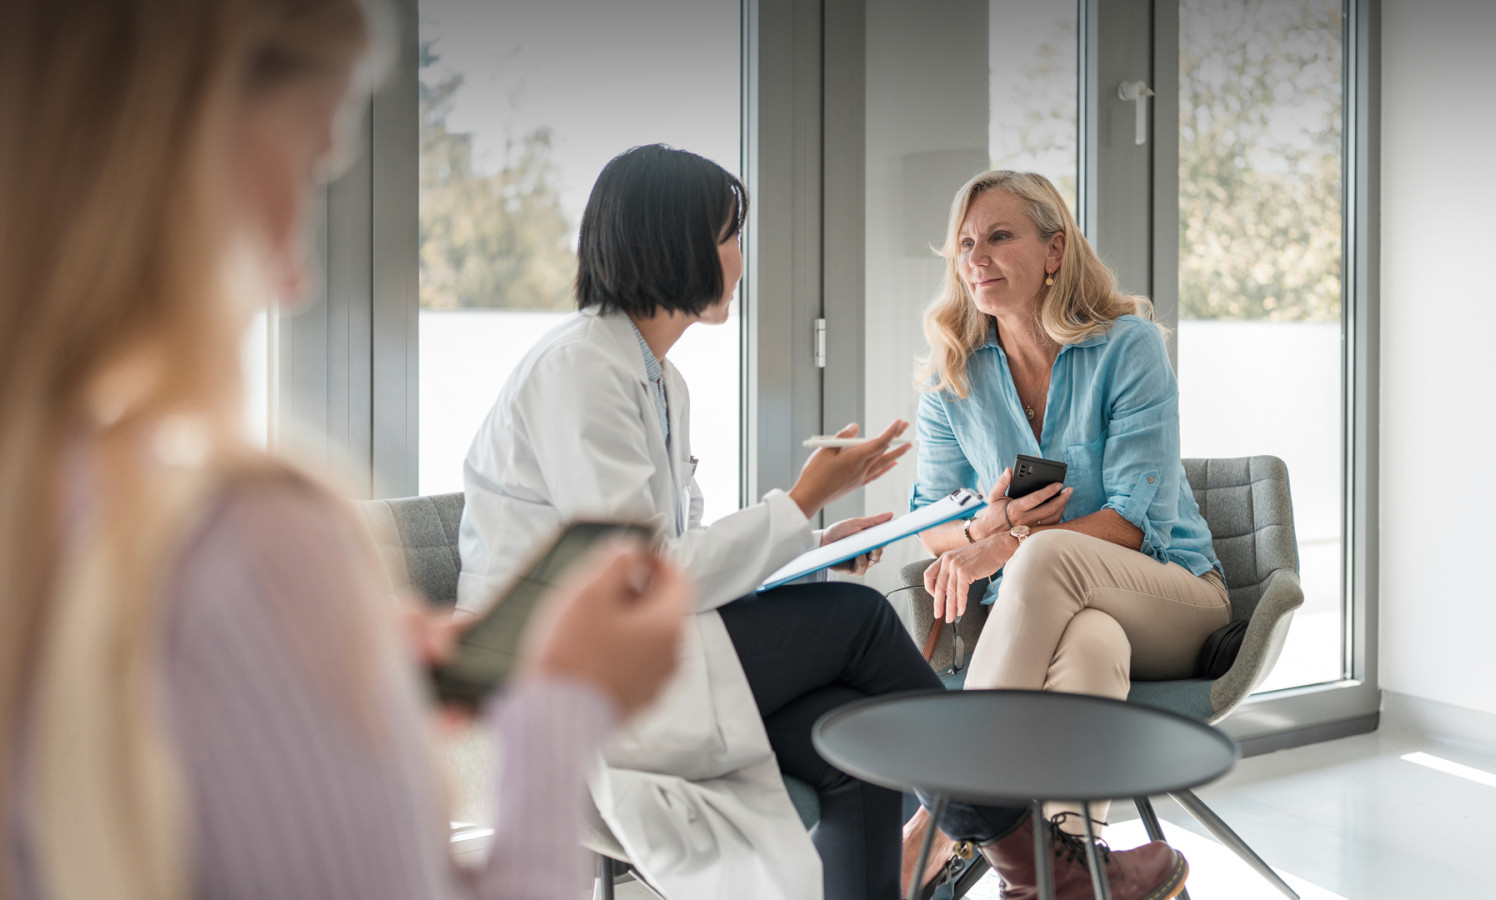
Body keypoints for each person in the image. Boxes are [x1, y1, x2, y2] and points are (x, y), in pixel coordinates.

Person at [0, 2, 687, 898]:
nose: (297, 272)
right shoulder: (249, 544)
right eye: (310, 162)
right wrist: (562, 704)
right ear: (177, 153)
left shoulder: (53, 517)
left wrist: (318, 682)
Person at [457, 144, 944, 900]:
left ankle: (986, 822)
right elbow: (646, 576)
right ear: (674, 244)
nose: (741, 261)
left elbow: (678, 554)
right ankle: (1005, 823)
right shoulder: (581, 370)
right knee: (860, 621)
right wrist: (800, 503)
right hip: (567, 671)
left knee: (851, 738)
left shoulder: (660, 380)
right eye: (730, 237)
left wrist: (811, 546)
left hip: (638, 646)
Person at [899, 171, 1229, 900]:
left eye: (999, 236)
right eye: (965, 244)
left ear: (1054, 252)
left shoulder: (1127, 347)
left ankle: (938, 821)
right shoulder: (952, 376)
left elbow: (1132, 524)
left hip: (1174, 597)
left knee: (1048, 556)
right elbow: (931, 523)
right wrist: (986, 525)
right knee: (1091, 645)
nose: (977, 258)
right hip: (1057, 616)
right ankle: (1058, 879)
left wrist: (1007, 546)